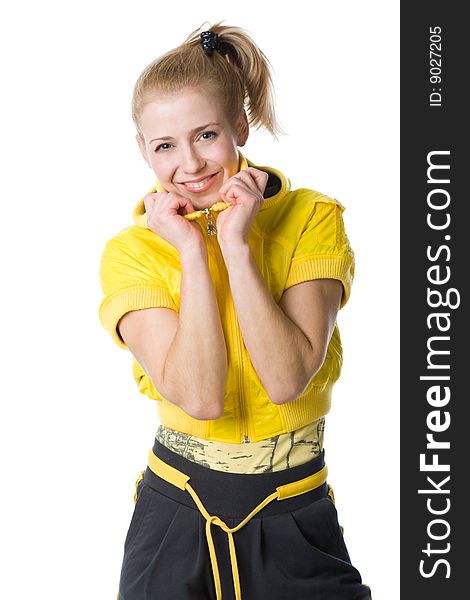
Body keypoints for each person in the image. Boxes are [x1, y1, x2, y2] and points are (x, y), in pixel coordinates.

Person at [99, 21, 371, 600]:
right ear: (144, 151)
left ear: (239, 127)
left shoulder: (311, 219)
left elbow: (285, 378)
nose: (190, 164)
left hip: (294, 510)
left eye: (206, 134)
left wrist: (237, 244)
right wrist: (194, 251)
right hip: (174, 515)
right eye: (165, 145)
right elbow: (199, 397)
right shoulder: (132, 254)